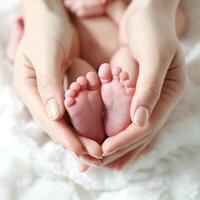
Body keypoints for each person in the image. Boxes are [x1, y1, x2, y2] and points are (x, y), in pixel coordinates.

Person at [8, 0, 186, 171]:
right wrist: (29, 27)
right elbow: (32, 33)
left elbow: (176, 21)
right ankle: (88, 121)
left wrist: (115, 7)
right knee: (75, 73)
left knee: (125, 60)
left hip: (125, 47)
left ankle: (117, 115)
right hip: (72, 53)